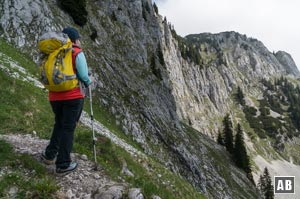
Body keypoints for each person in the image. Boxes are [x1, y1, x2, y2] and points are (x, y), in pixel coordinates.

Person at [41, 27, 92, 174]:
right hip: (73, 96)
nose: (80, 41)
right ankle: (63, 164)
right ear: (75, 39)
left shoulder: (53, 52)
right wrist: (89, 81)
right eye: (79, 38)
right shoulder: (76, 51)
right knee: (68, 128)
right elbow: (83, 75)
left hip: (54, 96)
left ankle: (49, 155)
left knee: (59, 124)